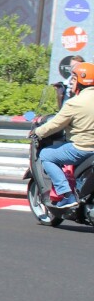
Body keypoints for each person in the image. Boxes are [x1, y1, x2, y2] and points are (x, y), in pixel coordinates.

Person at [34, 61, 94, 209]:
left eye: (73, 79)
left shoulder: (75, 103)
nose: (71, 82)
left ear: (80, 81)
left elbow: (55, 124)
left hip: (81, 148)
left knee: (46, 154)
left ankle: (67, 195)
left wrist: (37, 132)